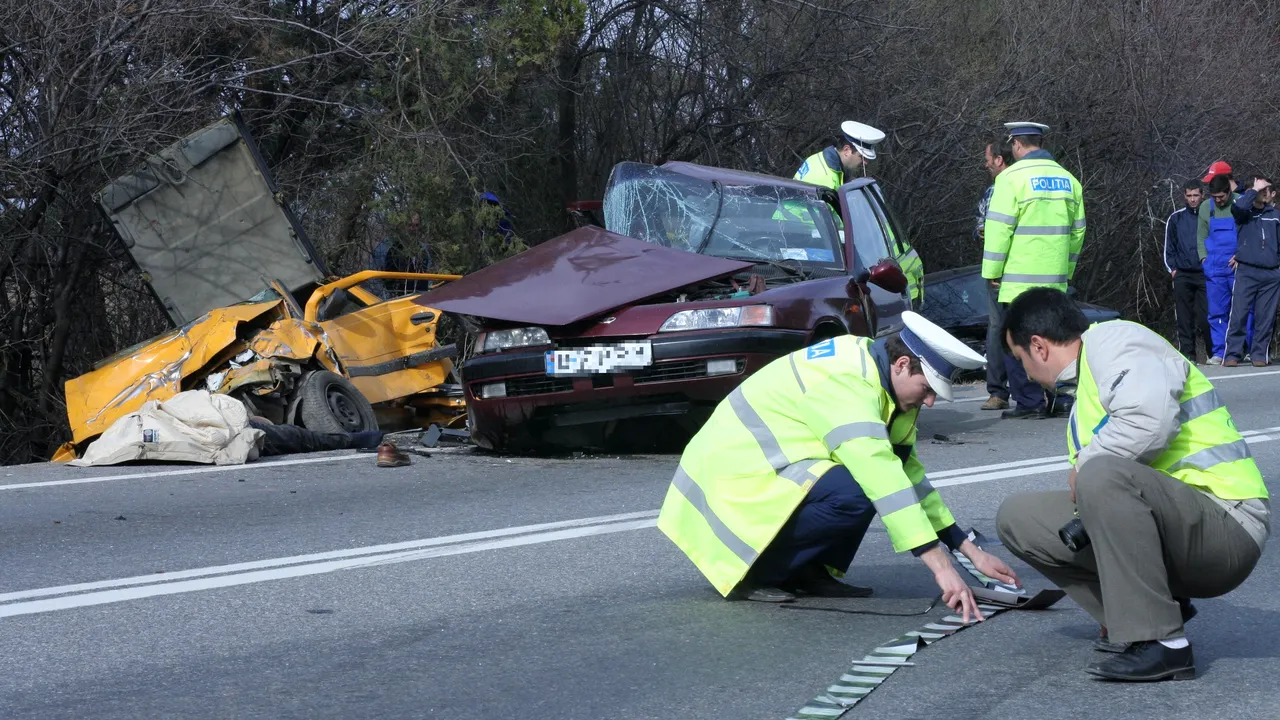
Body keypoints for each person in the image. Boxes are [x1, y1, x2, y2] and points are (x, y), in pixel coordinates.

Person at [657, 311, 1019, 623]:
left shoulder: (885, 386)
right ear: (902, 364)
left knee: (863, 484)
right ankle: (757, 572)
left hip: (762, 474)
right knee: (861, 488)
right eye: (927, 388)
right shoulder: (848, 382)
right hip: (730, 486)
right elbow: (882, 479)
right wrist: (942, 569)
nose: (930, 401)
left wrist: (968, 549)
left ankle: (806, 571)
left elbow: (907, 476)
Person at [995, 287, 1269, 682]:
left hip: (1228, 523)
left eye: (1019, 359)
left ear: (1038, 346)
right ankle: (1137, 615)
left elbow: (1149, 422)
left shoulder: (1115, 340)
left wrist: (1086, 467)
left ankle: (1162, 642)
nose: (1024, 371)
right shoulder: (1084, 389)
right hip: (1178, 526)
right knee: (1018, 518)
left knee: (1101, 474)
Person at [981, 121, 1086, 419]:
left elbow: (999, 229)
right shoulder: (1069, 180)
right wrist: (1066, 270)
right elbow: (1078, 233)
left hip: (1017, 280)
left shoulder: (1010, 179)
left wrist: (992, 271)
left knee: (1017, 341)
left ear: (1016, 145)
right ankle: (1061, 398)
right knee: (1055, 338)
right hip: (1054, 280)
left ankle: (1029, 402)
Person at [794, 121, 926, 307]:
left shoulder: (825, 162)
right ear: (847, 150)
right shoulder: (824, 179)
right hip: (805, 239)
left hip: (800, 235)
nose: (865, 162)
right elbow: (832, 226)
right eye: (862, 156)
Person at [976, 134, 1015, 410]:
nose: (986, 165)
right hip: (1034, 270)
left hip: (1002, 271)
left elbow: (988, 231)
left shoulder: (1000, 190)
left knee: (999, 328)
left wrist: (993, 271)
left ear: (999, 160)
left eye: (988, 160)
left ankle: (999, 392)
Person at [1224, 176, 1280, 367]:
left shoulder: (1274, 215)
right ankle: (1232, 353)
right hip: (1247, 271)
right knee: (1238, 314)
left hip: (1271, 274)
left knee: (1265, 317)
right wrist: (1253, 190)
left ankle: (1259, 355)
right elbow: (1238, 207)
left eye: (1267, 189)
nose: (1264, 193)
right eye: (1261, 189)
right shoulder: (1243, 213)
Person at [1199, 167, 1253, 362]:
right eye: (1215, 197)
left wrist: (1241, 255)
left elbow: (1250, 233)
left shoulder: (1241, 202)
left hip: (1237, 266)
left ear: (1229, 192)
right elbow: (1201, 235)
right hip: (1214, 267)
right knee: (1216, 311)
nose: (1218, 200)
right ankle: (1220, 352)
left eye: (1221, 197)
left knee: (1243, 309)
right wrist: (1203, 258)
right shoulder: (1206, 207)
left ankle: (1245, 349)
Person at [1164, 179, 1212, 363]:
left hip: (1204, 274)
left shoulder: (1210, 215)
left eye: (1196, 195)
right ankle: (1188, 355)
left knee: (1206, 316)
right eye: (1189, 195)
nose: (1193, 199)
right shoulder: (1176, 218)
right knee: (1184, 318)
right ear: (1184, 196)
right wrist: (1173, 269)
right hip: (1182, 273)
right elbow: (1169, 247)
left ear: (1202, 195)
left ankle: (1212, 354)